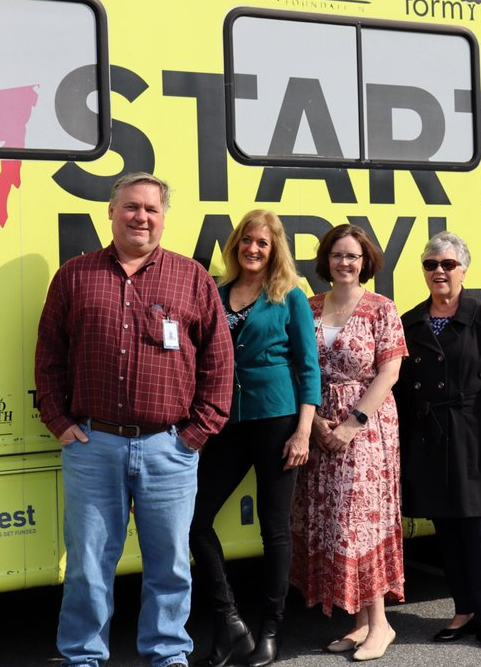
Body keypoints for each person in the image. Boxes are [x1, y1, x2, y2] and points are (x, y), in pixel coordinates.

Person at [35, 172, 234, 667]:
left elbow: (219, 362)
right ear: (111, 211)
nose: (140, 216)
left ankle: (167, 653)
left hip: (170, 448)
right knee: (87, 565)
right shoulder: (75, 276)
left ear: (163, 217)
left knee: (168, 565)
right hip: (93, 444)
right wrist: (60, 422)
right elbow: (48, 356)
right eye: (130, 207)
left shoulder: (192, 278)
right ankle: (83, 655)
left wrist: (196, 434)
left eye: (150, 208)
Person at [188, 210, 321, 667]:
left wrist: (303, 431)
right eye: (247, 240)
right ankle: (230, 622)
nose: (253, 249)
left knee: (274, 528)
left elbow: (308, 367)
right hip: (226, 422)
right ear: (236, 244)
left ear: (274, 248)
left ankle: (270, 630)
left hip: (277, 420)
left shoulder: (289, 296)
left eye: (263, 243)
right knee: (194, 518)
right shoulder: (217, 292)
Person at [394, 232, 481, 652]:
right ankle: (463, 609)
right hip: (429, 437)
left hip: (475, 435)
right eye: (431, 265)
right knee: (446, 527)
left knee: (479, 528)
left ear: (463, 270)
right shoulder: (410, 321)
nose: (439, 272)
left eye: (447, 264)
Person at [289, 224, 408, 663]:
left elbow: (388, 373)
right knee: (333, 522)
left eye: (353, 256)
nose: (345, 263)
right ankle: (358, 623)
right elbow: (299, 366)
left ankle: (381, 625)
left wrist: (350, 425)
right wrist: (317, 423)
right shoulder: (309, 306)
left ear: (366, 262)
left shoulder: (381, 308)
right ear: (326, 260)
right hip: (317, 424)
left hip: (367, 428)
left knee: (361, 523)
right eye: (338, 255)